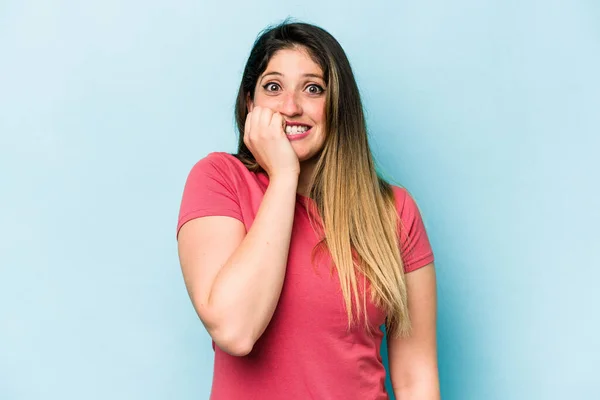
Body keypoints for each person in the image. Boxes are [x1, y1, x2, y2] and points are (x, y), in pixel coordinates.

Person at [176, 20, 440, 400]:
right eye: (273, 87)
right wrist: (284, 175)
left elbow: (416, 376)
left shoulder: (393, 211)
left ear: (337, 106)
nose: (291, 107)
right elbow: (235, 330)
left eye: (313, 89)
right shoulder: (220, 180)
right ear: (251, 103)